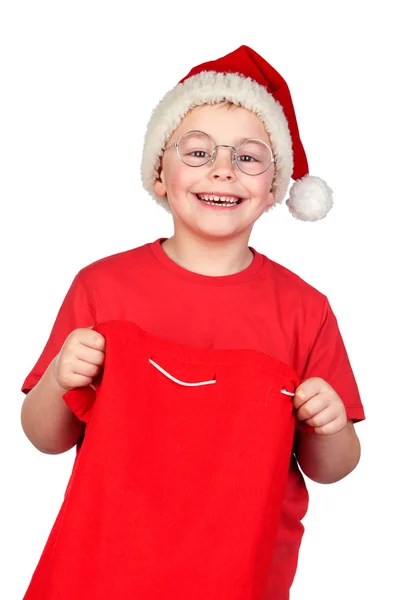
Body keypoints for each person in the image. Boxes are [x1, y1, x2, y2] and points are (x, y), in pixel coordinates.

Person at [20, 45, 365, 599]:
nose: (223, 169)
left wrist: (332, 423)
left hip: (237, 578)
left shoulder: (305, 309)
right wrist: (61, 374)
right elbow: (46, 437)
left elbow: (332, 468)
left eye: (249, 157)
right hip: (101, 572)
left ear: (276, 188)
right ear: (159, 173)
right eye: (198, 151)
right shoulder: (102, 287)